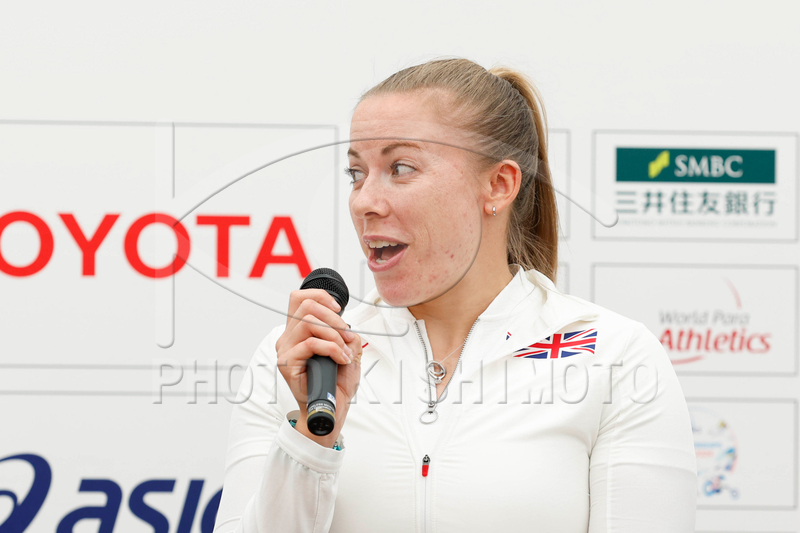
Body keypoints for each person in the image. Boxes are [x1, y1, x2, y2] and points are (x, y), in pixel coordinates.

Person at [213, 58, 697, 533]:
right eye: (356, 173)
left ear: (499, 185)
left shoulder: (616, 356)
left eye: (401, 168)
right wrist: (311, 440)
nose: (364, 201)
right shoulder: (298, 358)